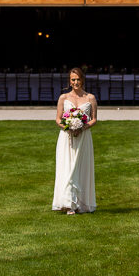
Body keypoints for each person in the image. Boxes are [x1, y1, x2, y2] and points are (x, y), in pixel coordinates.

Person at [52, 67, 97, 214]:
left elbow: (94, 119)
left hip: (83, 137)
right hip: (67, 138)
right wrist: (68, 126)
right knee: (67, 167)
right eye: (73, 79)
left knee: (81, 167)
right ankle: (68, 203)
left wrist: (82, 127)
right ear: (69, 81)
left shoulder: (90, 98)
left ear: (82, 80)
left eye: (78, 79)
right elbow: (58, 119)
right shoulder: (63, 98)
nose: (76, 82)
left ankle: (82, 203)